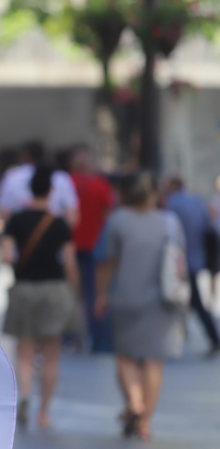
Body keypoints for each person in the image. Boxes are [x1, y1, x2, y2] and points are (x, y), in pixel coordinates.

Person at [96, 173, 186, 440]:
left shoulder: (117, 221)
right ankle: (145, 422)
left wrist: (101, 295)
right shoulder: (170, 222)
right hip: (162, 299)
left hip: (125, 297)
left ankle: (134, 401)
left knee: (125, 356)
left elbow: (107, 263)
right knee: (153, 361)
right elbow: (179, 259)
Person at [0, 165, 79, 429]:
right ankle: (44, 413)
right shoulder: (59, 224)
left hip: (24, 287)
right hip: (54, 289)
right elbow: (69, 263)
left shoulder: (16, 220)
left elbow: (6, 255)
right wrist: (74, 292)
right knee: (51, 354)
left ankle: (24, 395)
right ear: (52, 191)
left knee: (24, 350)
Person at [163, 176, 220, 356]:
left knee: (184, 299)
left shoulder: (172, 204)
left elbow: (170, 234)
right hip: (195, 256)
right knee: (191, 299)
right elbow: (208, 228)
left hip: (179, 260)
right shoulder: (197, 201)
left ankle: (212, 338)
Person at [69, 145, 115, 352]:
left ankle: (71, 339)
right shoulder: (101, 185)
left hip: (70, 247)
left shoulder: (66, 184)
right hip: (96, 248)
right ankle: (98, 342)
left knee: (72, 295)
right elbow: (108, 216)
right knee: (95, 296)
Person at [0, 141, 79, 227]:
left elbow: (4, 213)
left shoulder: (12, 176)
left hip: (20, 234)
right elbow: (72, 217)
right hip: (55, 234)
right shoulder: (61, 177)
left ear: (25, 155)